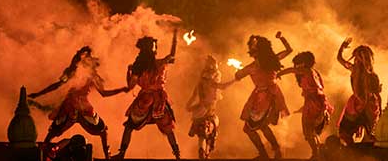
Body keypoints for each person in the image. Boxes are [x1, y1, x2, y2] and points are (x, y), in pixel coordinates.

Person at [28, 46, 126, 159]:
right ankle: (107, 157)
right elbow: (57, 86)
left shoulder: (86, 75)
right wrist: (38, 94)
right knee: (102, 132)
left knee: (53, 134)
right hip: (76, 107)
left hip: (76, 108)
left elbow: (103, 93)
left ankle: (43, 154)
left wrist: (120, 90)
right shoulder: (77, 74)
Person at [114, 31, 180, 160]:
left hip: (145, 100)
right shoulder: (158, 63)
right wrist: (175, 37)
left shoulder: (138, 67)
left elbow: (130, 87)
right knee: (167, 128)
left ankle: (121, 154)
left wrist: (129, 72)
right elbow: (171, 56)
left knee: (129, 126)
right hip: (157, 99)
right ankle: (177, 155)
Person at [235, 31, 292, 159]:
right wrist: (237, 75)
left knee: (250, 128)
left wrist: (282, 38)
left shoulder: (267, 62)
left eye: (255, 47)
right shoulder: (252, 67)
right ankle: (272, 152)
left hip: (267, 97)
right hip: (263, 97)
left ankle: (267, 153)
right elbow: (238, 76)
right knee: (262, 126)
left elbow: (289, 50)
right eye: (252, 48)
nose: (253, 51)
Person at [277, 51, 334, 159]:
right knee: (311, 131)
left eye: (298, 64)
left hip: (314, 102)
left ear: (304, 63)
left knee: (308, 131)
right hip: (317, 101)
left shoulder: (306, 70)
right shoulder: (314, 72)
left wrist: (278, 74)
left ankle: (316, 154)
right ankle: (318, 153)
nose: (297, 66)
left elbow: (291, 70)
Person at [186, 55, 234, 159]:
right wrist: (235, 80)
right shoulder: (211, 82)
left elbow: (193, 96)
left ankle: (203, 153)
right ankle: (203, 153)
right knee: (209, 132)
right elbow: (223, 86)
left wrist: (189, 106)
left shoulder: (201, 82)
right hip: (207, 110)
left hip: (199, 112)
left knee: (203, 134)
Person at [336, 38, 381, 145]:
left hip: (360, 105)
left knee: (347, 132)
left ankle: (357, 154)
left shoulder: (361, 72)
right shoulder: (370, 74)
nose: (355, 60)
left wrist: (342, 47)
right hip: (365, 105)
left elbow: (339, 58)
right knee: (362, 134)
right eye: (355, 57)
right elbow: (340, 59)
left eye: (357, 57)